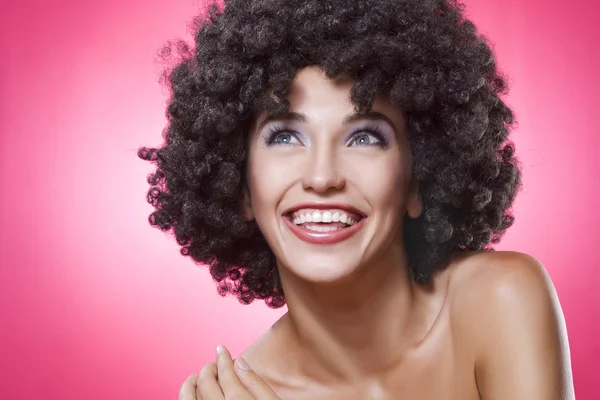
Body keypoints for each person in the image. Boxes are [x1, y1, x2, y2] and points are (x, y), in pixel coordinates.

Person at [138, 0, 575, 398]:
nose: (323, 176)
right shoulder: (239, 393)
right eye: (286, 135)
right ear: (241, 188)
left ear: (417, 181)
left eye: (364, 137)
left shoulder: (499, 302)